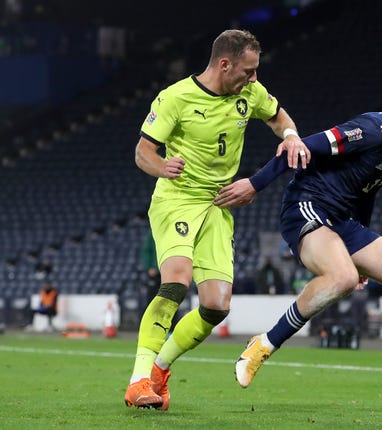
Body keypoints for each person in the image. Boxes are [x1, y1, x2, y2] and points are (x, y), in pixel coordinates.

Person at [215, 97, 382, 412]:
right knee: (343, 278)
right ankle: (264, 344)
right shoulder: (375, 130)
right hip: (308, 204)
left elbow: (368, 192)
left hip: (344, 221)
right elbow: (301, 147)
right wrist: (255, 184)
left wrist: (361, 249)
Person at [124, 29, 309, 410]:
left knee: (216, 306)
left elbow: (278, 116)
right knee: (176, 280)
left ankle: (158, 372)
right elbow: (143, 152)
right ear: (224, 64)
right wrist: (163, 168)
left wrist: (290, 135)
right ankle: (137, 380)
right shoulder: (175, 97)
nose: (254, 78)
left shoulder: (249, 94)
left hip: (219, 205)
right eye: (248, 70)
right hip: (178, 198)